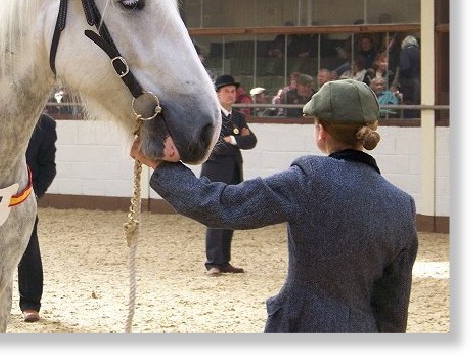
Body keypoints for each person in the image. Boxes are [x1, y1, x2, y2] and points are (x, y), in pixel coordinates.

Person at [131, 79, 418, 332]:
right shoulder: (402, 206)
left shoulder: (310, 178)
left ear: (321, 130)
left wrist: (161, 166)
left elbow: (220, 206)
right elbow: (393, 311)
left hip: (301, 327)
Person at [202, 74, 257, 276]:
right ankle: (212, 262)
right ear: (217, 94)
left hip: (234, 171)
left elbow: (252, 141)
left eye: (233, 91)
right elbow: (213, 145)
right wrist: (238, 139)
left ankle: (224, 260)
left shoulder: (238, 117)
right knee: (216, 216)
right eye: (226, 91)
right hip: (215, 172)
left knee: (230, 216)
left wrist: (232, 140)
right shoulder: (212, 116)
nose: (231, 95)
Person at [18, 113, 57, 322]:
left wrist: (33, 196)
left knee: (29, 248)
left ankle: (30, 304)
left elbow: (48, 166)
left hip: (25, 196)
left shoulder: (46, 125)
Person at [398, 35, 420, 118]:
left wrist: (401, 81)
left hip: (409, 83)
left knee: (408, 105)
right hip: (419, 81)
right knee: (417, 104)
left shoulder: (405, 52)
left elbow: (405, 67)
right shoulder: (420, 52)